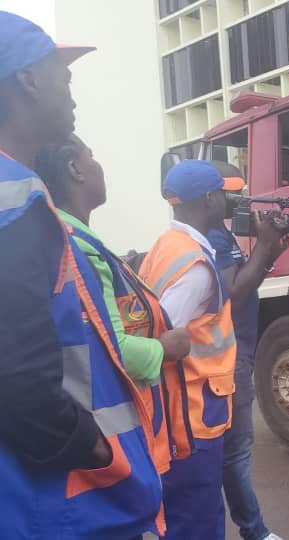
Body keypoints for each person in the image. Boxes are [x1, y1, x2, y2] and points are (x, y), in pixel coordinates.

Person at [0, 11, 164, 539]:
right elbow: (19, 378)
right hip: (60, 503)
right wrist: (91, 448)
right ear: (28, 80)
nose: (71, 91)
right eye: (62, 75)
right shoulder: (16, 199)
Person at [35, 134, 192, 475]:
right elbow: (110, 347)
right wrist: (165, 347)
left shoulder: (76, 241)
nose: (99, 167)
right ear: (75, 169)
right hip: (108, 448)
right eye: (91, 156)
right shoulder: (81, 251)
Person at [139, 160, 240, 539]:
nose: (228, 203)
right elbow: (163, 341)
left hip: (184, 411)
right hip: (192, 418)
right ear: (210, 199)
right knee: (197, 522)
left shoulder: (167, 245)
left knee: (191, 517)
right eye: (223, 195)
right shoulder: (194, 266)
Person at [207, 160, 287, 540]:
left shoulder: (220, 237)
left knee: (229, 453)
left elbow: (243, 280)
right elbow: (234, 294)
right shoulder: (216, 239)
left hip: (234, 353)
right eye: (234, 192)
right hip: (230, 357)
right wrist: (266, 247)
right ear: (214, 196)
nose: (241, 199)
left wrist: (267, 254)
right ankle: (255, 532)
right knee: (235, 453)